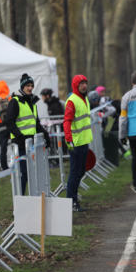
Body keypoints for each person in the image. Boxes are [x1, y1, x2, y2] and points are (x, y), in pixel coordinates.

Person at [5, 73, 51, 195]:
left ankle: (30, 200)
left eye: (31, 85)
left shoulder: (32, 102)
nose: (30, 88)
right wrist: (20, 138)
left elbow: (36, 123)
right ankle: (20, 201)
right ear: (22, 86)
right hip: (20, 145)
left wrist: (46, 135)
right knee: (23, 174)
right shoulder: (15, 101)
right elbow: (9, 122)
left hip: (31, 144)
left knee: (32, 173)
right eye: (27, 85)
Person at [63, 74, 92, 212]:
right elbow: (67, 122)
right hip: (75, 144)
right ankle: (71, 202)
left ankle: (74, 199)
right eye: (81, 84)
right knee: (75, 173)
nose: (84, 86)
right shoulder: (72, 101)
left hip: (84, 142)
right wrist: (69, 139)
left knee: (80, 171)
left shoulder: (84, 98)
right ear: (76, 85)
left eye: (85, 83)